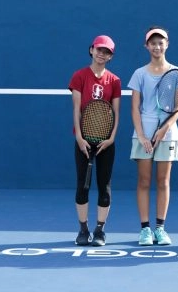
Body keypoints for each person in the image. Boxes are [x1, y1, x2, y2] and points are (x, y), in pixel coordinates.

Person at [128, 26, 178, 246]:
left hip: (168, 135)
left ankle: (160, 228)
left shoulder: (177, 73)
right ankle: (145, 230)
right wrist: (142, 135)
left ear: (167, 44)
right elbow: (135, 108)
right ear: (146, 46)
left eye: (161, 42)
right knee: (143, 181)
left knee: (163, 181)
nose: (157, 46)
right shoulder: (139, 74)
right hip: (143, 134)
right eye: (153, 43)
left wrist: (164, 129)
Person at [69, 35, 121, 246]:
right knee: (82, 186)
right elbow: (76, 109)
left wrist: (111, 138)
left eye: (107, 51)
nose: (102, 54)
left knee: (104, 186)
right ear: (91, 50)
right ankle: (83, 230)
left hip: (106, 143)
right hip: (83, 141)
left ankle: (100, 230)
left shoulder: (114, 81)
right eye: (99, 49)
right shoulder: (79, 76)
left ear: (111, 56)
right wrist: (80, 137)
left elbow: (116, 112)